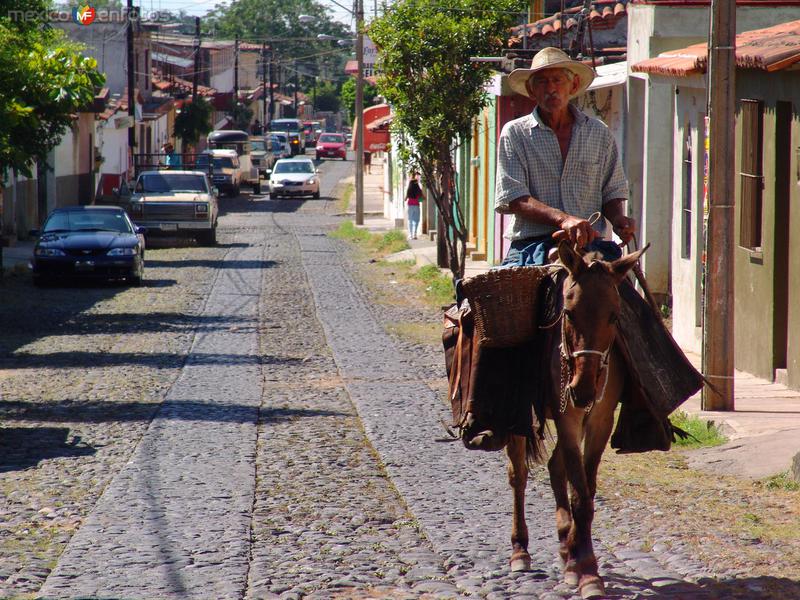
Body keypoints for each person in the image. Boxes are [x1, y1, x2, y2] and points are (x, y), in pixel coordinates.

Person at [495, 47, 635, 266]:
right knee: (498, 297)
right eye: (542, 82)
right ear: (532, 91)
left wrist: (618, 219)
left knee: (630, 298)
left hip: (591, 246)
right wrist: (564, 219)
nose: (551, 88)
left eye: (557, 80)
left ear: (574, 85)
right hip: (532, 246)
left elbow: (612, 191)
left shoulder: (599, 133)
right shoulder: (515, 133)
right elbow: (515, 197)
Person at [405, 174, 424, 240]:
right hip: (416, 206)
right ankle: (415, 234)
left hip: (410, 206)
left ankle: (410, 235)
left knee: (410, 220)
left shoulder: (409, 190)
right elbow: (422, 199)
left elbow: (405, 199)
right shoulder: (419, 191)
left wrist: (408, 197)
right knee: (416, 220)